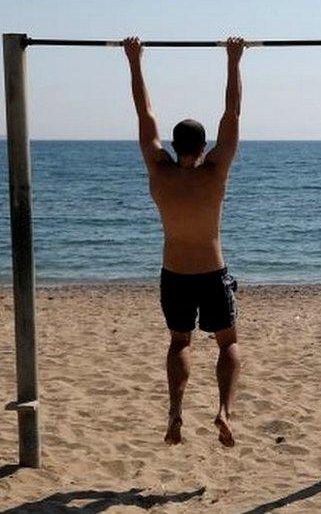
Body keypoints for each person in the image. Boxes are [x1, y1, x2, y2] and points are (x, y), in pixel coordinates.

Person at [124, 36, 245, 447]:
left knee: (180, 342)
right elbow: (232, 112)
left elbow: (145, 112)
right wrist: (233, 60)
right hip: (212, 272)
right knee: (227, 343)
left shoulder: (160, 171)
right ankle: (224, 412)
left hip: (174, 273)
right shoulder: (215, 172)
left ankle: (175, 412)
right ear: (205, 146)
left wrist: (134, 60)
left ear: (175, 146)